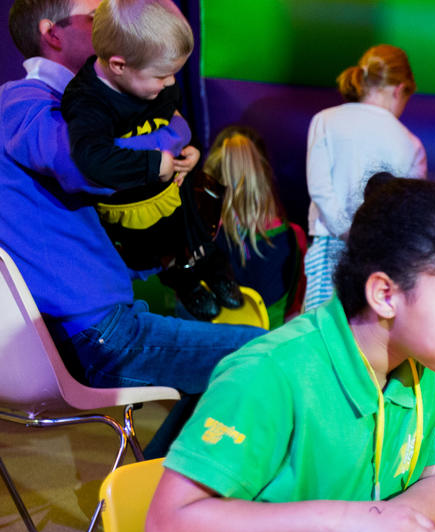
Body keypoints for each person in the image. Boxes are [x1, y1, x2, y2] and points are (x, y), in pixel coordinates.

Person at [146, 175, 435, 532]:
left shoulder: (431, 365)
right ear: (386, 295)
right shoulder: (270, 372)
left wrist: (388, 530)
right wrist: (353, 522)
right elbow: (169, 525)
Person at [1, 0, 261, 457]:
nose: (107, 19)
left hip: (102, 321)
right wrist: (168, 149)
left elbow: (164, 127)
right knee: (265, 354)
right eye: (94, 12)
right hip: (96, 331)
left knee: (234, 366)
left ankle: (160, 487)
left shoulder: (78, 102)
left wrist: (175, 148)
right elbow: (84, 165)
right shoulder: (22, 101)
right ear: (53, 33)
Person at [60, 0, 242, 321]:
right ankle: (188, 287)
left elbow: (174, 118)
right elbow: (91, 158)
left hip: (177, 191)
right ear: (119, 65)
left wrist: (192, 150)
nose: (171, 83)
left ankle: (217, 274)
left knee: (201, 238)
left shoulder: (153, 85)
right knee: (167, 259)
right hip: (136, 213)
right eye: (163, 75)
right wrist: (154, 165)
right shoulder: (88, 102)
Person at [303, 44, 426, 311]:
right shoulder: (410, 144)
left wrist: (346, 230)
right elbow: (407, 213)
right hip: (380, 257)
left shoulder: (325, 120)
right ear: (399, 89)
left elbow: (320, 188)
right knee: (365, 338)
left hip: (327, 246)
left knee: (319, 335)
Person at [203, 125, 305, 328]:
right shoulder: (294, 236)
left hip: (218, 351)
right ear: (263, 176)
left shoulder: (204, 237)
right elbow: (294, 311)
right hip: (272, 350)